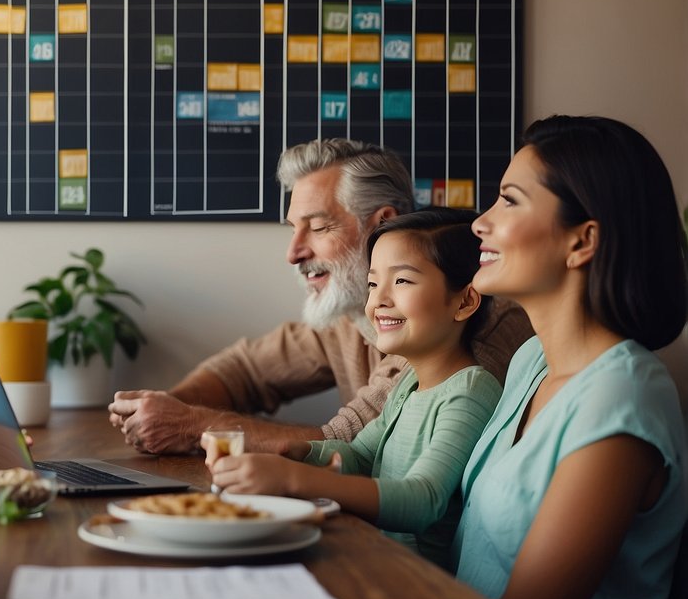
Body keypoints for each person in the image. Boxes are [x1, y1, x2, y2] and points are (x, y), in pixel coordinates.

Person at [109, 138, 532, 455]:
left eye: (318, 226)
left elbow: (347, 445)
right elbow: (246, 371)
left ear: (382, 224)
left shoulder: (459, 321)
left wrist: (189, 427)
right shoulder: (350, 315)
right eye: (293, 229)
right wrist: (161, 409)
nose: (293, 253)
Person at [452, 115, 687, 599]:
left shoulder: (623, 395)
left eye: (509, 200)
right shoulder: (530, 361)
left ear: (582, 241)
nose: (479, 222)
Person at [205, 208, 502, 570]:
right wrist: (294, 452)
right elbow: (358, 457)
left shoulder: (470, 391)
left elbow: (423, 500)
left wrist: (294, 478)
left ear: (465, 301)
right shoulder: (409, 383)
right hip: (377, 561)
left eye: (403, 281)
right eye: (374, 283)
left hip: (417, 585)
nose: (379, 301)